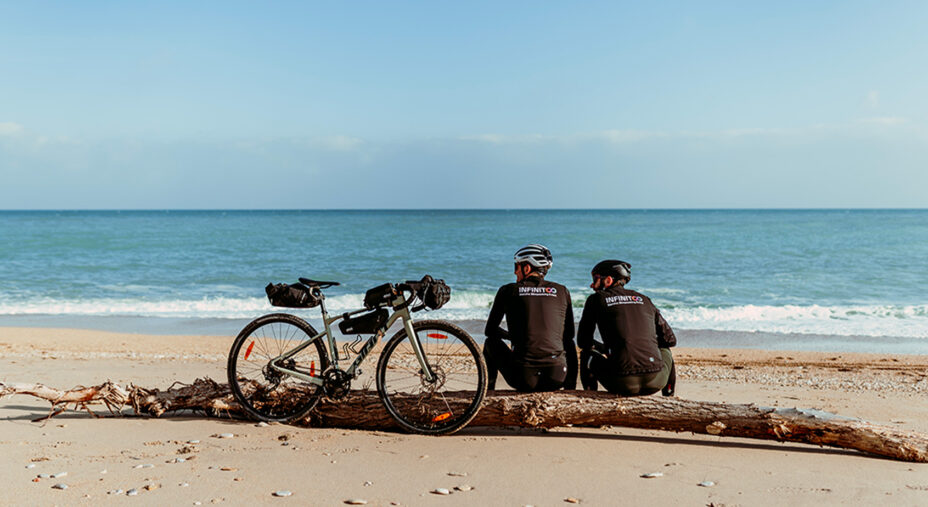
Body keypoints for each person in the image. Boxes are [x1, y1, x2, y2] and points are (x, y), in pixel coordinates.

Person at [484, 244, 578, 392]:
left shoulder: (508, 290)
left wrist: (513, 336)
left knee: (490, 342)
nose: (515, 272)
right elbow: (569, 334)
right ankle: (570, 390)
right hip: (557, 376)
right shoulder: (561, 290)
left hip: (523, 377)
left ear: (527, 268)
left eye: (517, 267)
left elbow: (490, 331)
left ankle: (488, 390)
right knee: (569, 343)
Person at [577, 260, 676, 396]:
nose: (592, 285)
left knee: (586, 354)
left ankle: (589, 398)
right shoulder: (644, 299)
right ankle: (669, 397)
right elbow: (670, 340)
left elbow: (583, 342)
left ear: (608, 280)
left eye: (596, 279)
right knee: (665, 349)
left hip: (621, 383)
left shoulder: (596, 299)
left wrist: (606, 349)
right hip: (656, 381)